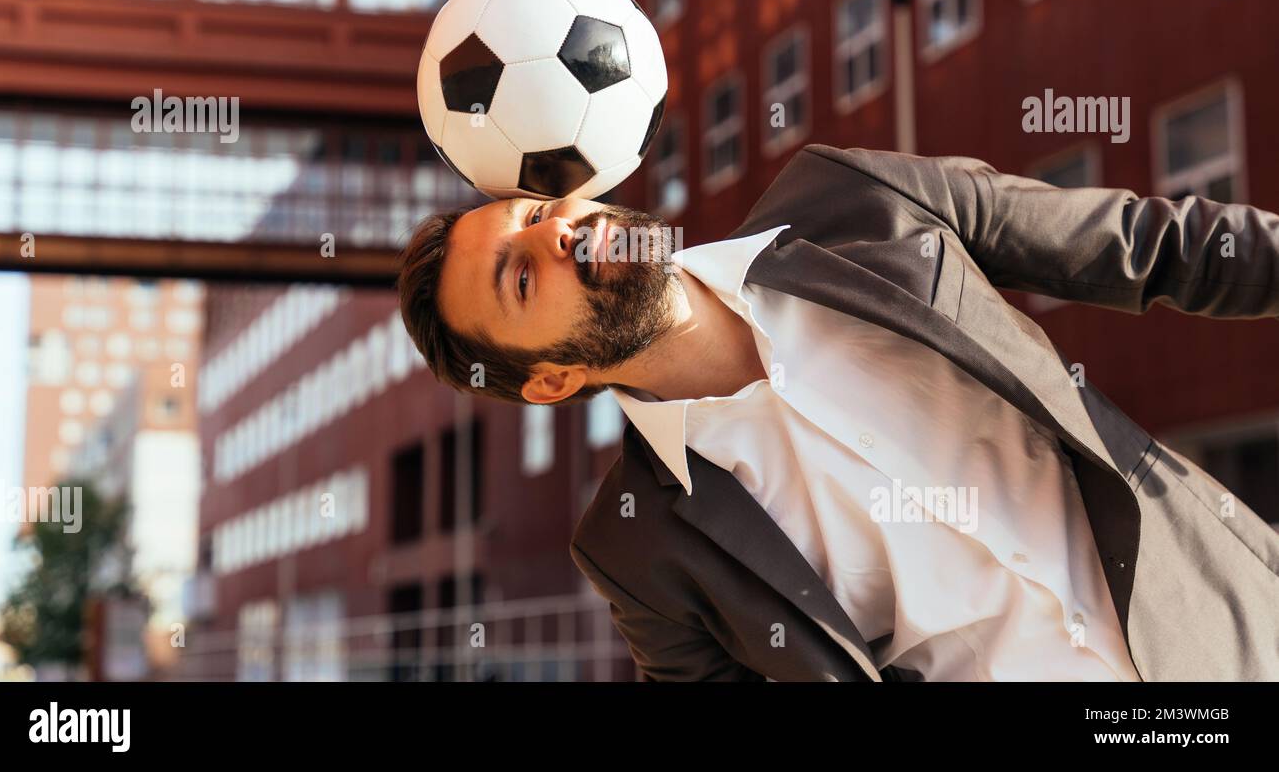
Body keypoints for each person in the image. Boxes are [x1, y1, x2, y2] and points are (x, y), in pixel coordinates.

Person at [397, 143, 1279, 681]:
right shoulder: (636, 549)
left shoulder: (848, 201)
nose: (557, 237)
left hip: (1229, 618)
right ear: (550, 380)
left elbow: (1149, 245)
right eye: (521, 277)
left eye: (541, 212)